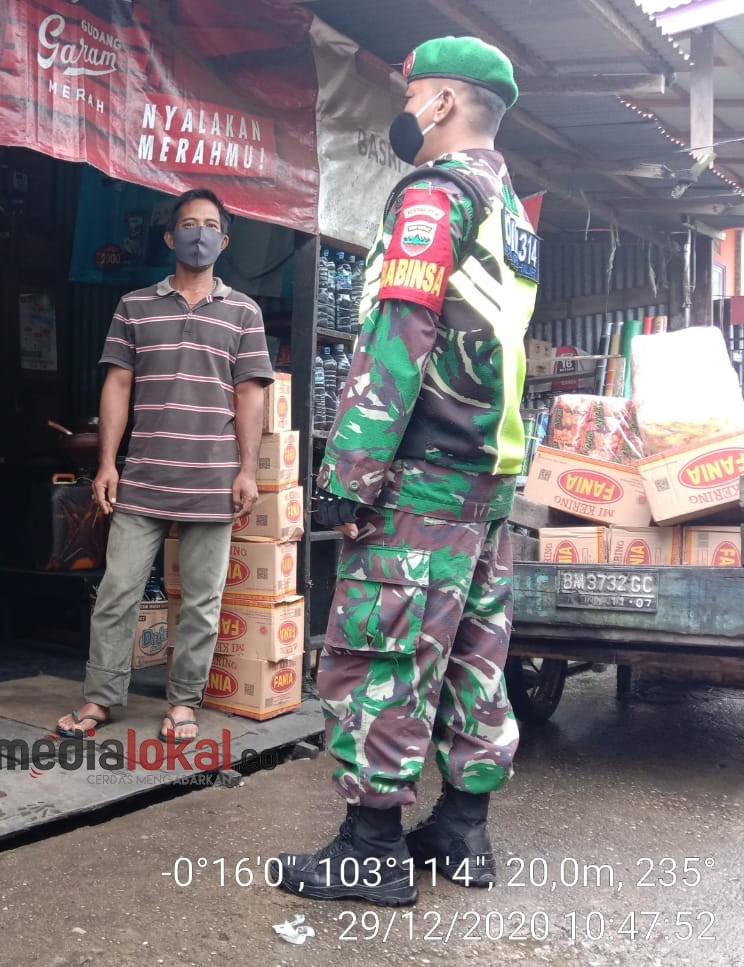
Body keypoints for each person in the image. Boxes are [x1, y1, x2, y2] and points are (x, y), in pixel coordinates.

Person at [277, 36, 538, 907]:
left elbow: (402, 335)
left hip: (425, 473)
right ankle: (462, 831)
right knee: (473, 651)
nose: (403, 100)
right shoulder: (511, 209)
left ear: (442, 103)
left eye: (412, 88)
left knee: (380, 649)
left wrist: (349, 470)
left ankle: (372, 848)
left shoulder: (434, 195)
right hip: (487, 480)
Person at [56, 188, 272, 744]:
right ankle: (101, 697)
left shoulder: (244, 311)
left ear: (222, 241)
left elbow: (250, 394)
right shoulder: (135, 306)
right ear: (170, 237)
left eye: (209, 225)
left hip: (212, 480)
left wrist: (248, 469)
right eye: (188, 224)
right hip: (145, 475)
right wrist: (107, 462)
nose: (198, 234)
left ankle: (182, 703)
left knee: (201, 602)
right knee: (118, 592)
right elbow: (118, 384)